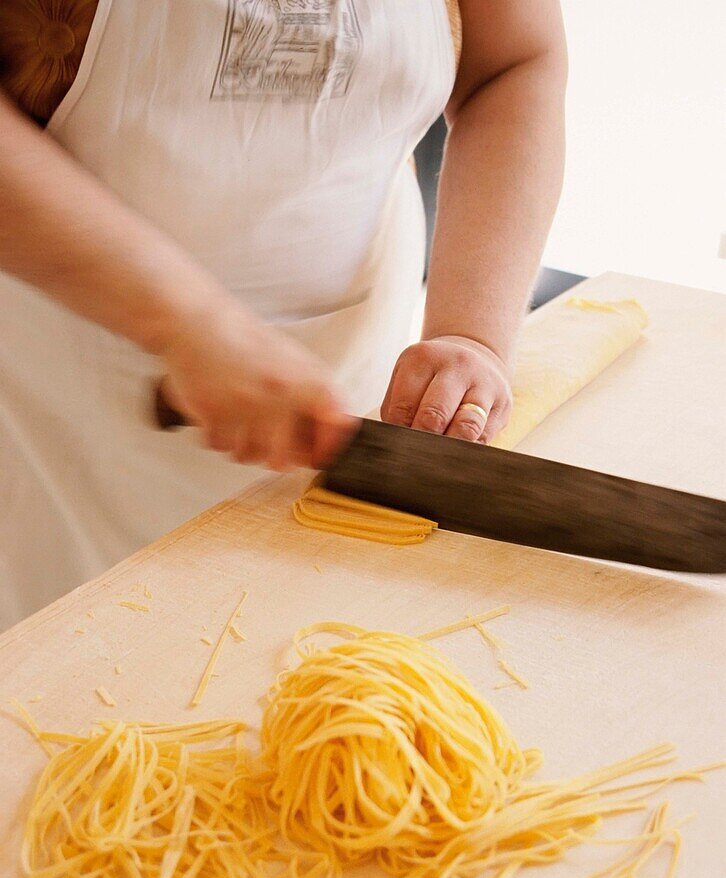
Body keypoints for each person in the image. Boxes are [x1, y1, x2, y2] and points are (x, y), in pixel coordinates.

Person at [0, 0, 567, 629]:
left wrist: (472, 333)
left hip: (357, 354)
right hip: (61, 394)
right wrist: (185, 322)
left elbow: (513, 65)